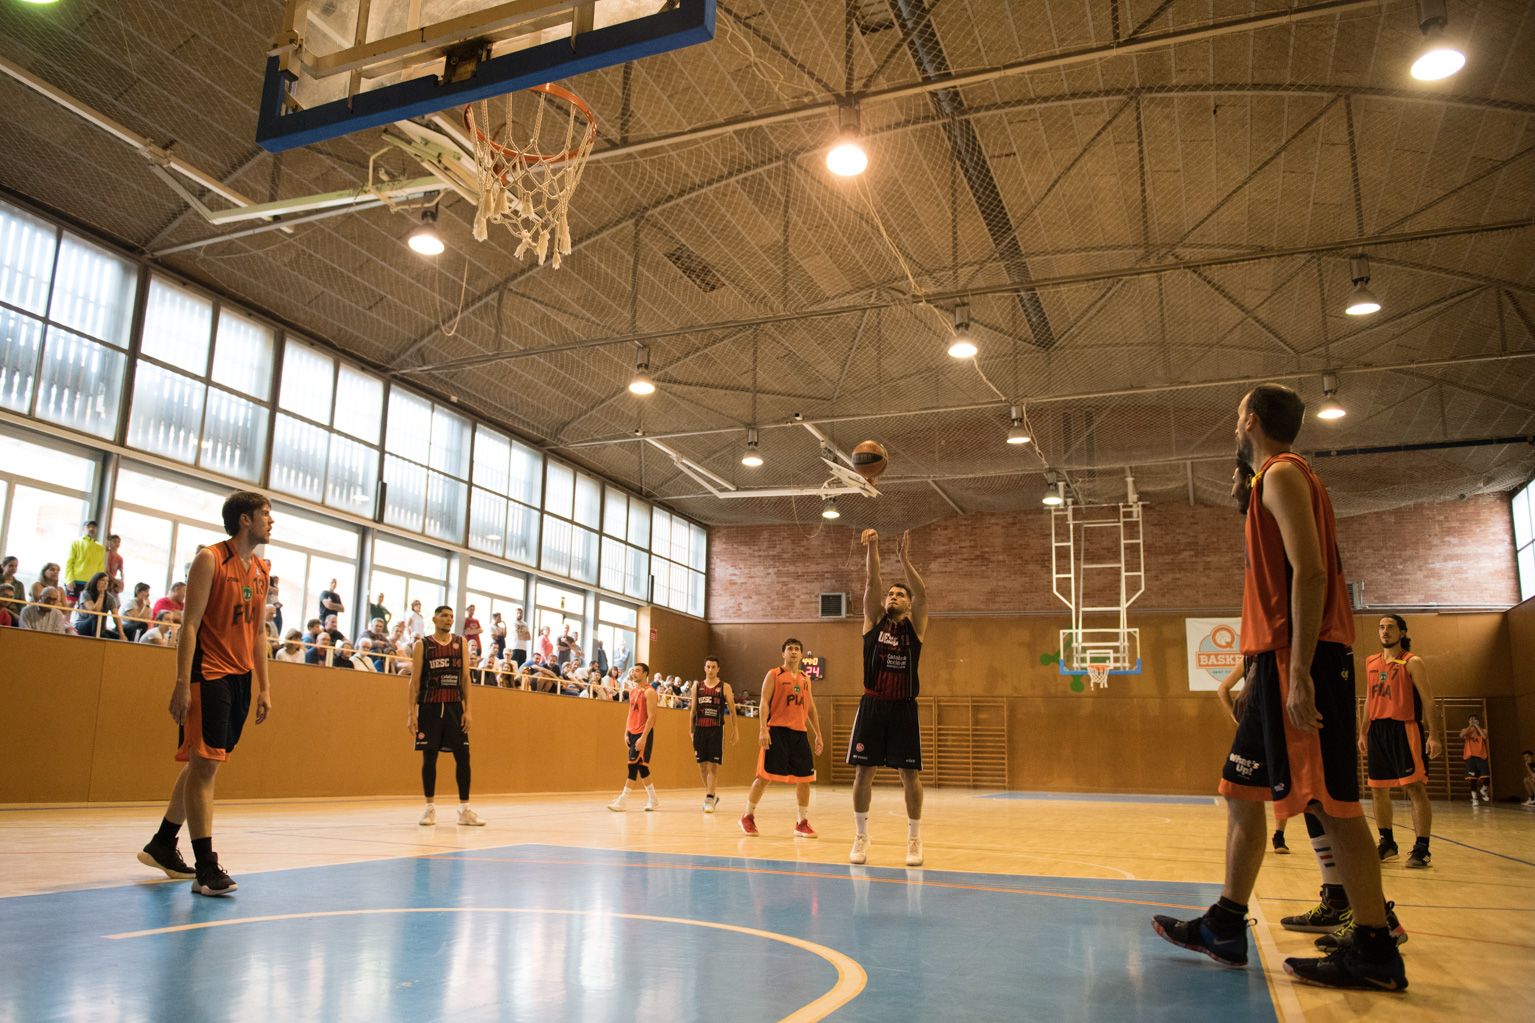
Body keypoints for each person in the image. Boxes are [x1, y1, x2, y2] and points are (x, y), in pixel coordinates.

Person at [1151, 383, 1405, 991]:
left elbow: (1312, 571)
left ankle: (1373, 944)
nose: (1233, 424)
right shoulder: (1267, 481)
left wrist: (1296, 672)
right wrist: (1263, 667)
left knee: (1331, 804)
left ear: (1253, 420)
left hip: (1303, 658)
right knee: (1241, 792)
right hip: (1275, 660)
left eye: (1239, 415)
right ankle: (1226, 923)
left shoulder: (1285, 474)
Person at [138, 491, 273, 897]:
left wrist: (265, 685)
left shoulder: (262, 569)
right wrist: (181, 682)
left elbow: (260, 632)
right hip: (208, 674)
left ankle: (163, 842)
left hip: (241, 678)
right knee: (206, 766)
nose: (272, 520)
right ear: (245, 520)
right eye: (266, 513)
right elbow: (190, 625)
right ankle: (206, 868)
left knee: (204, 763)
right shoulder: (211, 559)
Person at [848, 529, 929, 867]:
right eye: (891, 594)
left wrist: (906, 560)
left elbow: (923, 593)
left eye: (900, 594)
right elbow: (871, 581)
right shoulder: (872, 622)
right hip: (873, 706)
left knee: (909, 776)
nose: (893, 596)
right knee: (863, 774)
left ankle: (914, 838)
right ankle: (861, 835)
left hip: (903, 709)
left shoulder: (915, 627)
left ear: (908, 605)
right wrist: (874, 547)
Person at [1362, 614, 1440, 868]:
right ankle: (1387, 843)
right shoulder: (1371, 661)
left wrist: (1434, 735)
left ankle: (1422, 847)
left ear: (1402, 633)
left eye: (1391, 627)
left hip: (1404, 728)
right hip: (1377, 730)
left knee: (1414, 788)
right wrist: (1363, 732)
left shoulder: (1411, 662)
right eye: (1382, 628)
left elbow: (1428, 701)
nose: (1385, 631)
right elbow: (1368, 700)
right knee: (1378, 789)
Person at [409, 606, 484, 826]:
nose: (448, 619)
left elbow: (466, 678)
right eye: (444, 616)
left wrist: (468, 710)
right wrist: (410, 712)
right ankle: (429, 808)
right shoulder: (423, 645)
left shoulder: (460, 643)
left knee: (463, 756)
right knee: (429, 757)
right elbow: (414, 681)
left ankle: (465, 810)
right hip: (430, 706)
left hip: (453, 706)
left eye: (451, 616)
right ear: (434, 619)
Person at [740, 640, 822, 838]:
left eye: (797, 649)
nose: (793, 652)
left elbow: (810, 708)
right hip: (776, 731)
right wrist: (762, 729)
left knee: (805, 779)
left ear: (801, 655)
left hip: (799, 734)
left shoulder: (805, 678)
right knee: (764, 777)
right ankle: (747, 816)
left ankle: (801, 822)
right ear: (783, 654)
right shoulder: (774, 674)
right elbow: (764, 702)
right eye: (790, 649)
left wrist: (818, 734)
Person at [688, 657, 741, 813]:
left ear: (718, 669)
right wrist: (691, 730)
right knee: (702, 766)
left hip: (716, 730)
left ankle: (710, 797)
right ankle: (710, 795)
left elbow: (732, 710)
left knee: (713, 765)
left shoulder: (725, 687)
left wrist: (735, 729)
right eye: (708, 667)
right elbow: (692, 710)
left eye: (713, 667)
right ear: (704, 668)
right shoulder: (697, 687)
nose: (710, 670)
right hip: (699, 729)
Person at [608, 663, 660, 811]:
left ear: (645, 674)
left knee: (632, 766)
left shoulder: (650, 692)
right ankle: (653, 799)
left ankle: (623, 800)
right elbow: (631, 713)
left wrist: (643, 737)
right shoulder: (633, 692)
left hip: (643, 733)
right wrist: (626, 732)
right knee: (642, 768)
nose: (634, 673)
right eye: (633, 671)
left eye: (638, 671)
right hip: (632, 732)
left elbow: (652, 717)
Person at [64, 519, 105, 602]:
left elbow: (100, 567)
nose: (91, 529)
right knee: (70, 605)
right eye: (88, 526)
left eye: (94, 527)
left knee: (87, 607)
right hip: (75, 581)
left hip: (91, 583)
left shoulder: (100, 548)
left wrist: (100, 583)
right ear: (83, 529)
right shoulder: (75, 543)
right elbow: (69, 562)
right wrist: (69, 580)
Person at [73, 571, 123, 639]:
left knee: (117, 637)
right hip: (82, 625)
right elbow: (95, 611)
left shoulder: (109, 598)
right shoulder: (85, 594)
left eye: (107, 581)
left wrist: (122, 634)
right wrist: (101, 594)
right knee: (97, 615)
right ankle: (96, 640)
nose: (105, 583)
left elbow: (116, 617)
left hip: (100, 629)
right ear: (96, 581)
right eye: (102, 580)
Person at [1459, 715, 1491, 805]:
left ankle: (1484, 790)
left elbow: (1484, 737)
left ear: (1478, 721)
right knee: (1472, 779)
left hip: (1481, 757)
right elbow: (1461, 735)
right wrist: (1470, 726)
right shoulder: (1466, 730)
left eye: (1475, 720)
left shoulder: (1483, 730)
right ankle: (1474, 798)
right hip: (1470, 757)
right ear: (1468, 721)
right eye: (1471, 720)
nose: (1472, 721)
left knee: (1486, 777)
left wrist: (1477, 726)